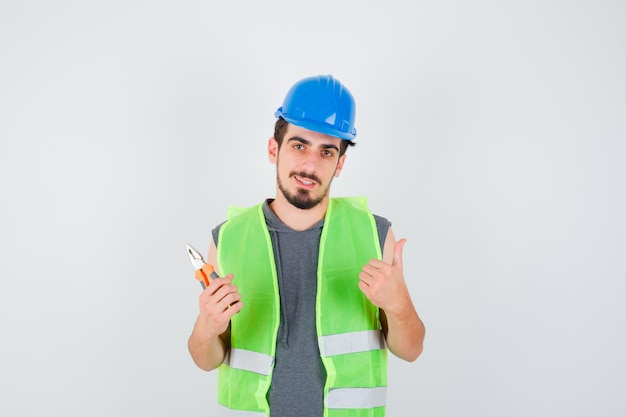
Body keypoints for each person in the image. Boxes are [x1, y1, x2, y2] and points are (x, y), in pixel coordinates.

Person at [188, 74, 425, 417]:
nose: (311, 165)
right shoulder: (228, 238)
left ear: (340, 163)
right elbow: (205, 360)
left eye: (326, 151)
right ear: (274, 149)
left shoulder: (374, 233)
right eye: (299, 145)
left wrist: (399, 306)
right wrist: (206, 329)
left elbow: (412, 349)